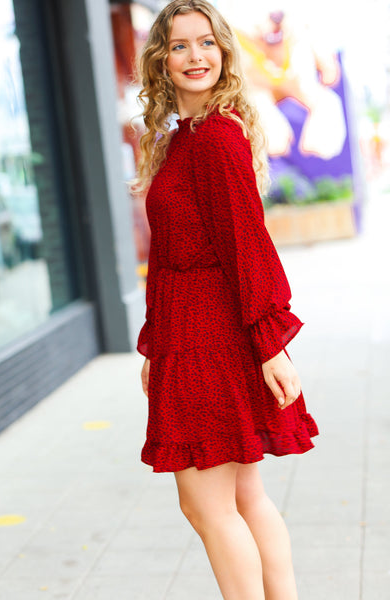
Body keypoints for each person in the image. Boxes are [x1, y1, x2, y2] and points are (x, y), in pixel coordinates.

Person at [134, 1, 319, 598]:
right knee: (241, 496)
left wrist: (271, 344)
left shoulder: (216, 137)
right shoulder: (181, 135)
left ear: (224, 52)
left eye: (206, 43)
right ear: (161, 57)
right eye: (181, 45)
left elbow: (249, 245)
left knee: (207, 507)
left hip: (213, 337)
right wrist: (155, 343)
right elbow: (167, 255)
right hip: (191, 333)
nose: (196, 57)